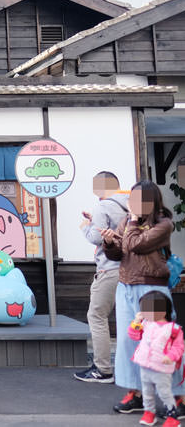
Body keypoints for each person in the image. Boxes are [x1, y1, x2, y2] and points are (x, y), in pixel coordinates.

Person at [102, 179, 183, 414]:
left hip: (151, 287)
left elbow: (135, 245)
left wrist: (133, 222)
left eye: (138, 200)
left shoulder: (163, 224)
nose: (133, 204)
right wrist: (109, 242)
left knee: (162, 342)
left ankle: (179, 398)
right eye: (132, 199)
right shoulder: (127, 221)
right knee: (129, 342)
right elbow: (119, 252)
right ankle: (134, 393)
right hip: (125, 286)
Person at [75, 171, 129, 383]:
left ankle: (103, 369)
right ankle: (129, 370)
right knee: (127, 320)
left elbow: (96, 237)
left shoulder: (102, 206)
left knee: (97, 316)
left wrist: (86, 226)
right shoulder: (129, 204)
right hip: (129, 269)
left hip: (109, 269)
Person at [128, 291, 184, 427]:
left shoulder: (173, 329)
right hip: (145, 365)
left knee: (165, 393)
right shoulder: (146, 323)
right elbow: (134, 335)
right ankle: (149, 413)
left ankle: (172, 417)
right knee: (147, 392)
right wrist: (136, 321)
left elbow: (179, 347)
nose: (145, 313)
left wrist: (171, 356)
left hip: (162, 368)